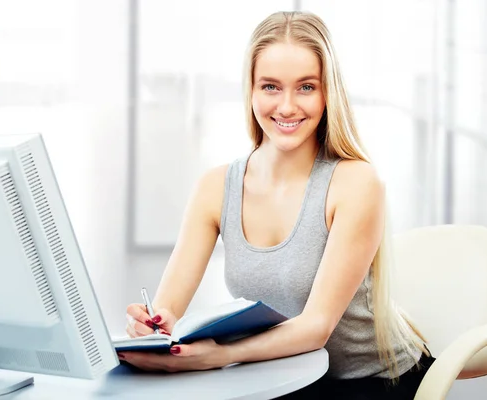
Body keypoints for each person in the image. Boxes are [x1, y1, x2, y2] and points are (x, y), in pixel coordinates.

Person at [119, 10, 434, 399]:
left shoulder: (355, 182)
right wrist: (155, 325)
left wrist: (218, 356)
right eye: (270, 87)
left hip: (371, 382)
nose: (287, 107)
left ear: (327, 93)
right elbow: (167, 310)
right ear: (250, 90)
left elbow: (316, 327)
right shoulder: (215, 187)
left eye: (305, 87)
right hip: (283, 374)